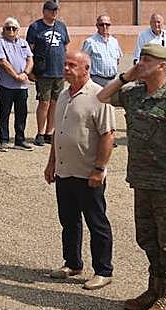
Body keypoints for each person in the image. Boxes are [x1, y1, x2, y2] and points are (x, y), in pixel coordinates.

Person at [98, 43, 166, 310]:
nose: (141, 62)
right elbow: (102, 96)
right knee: (147, 239)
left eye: (147, 60)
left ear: (162, 66)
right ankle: (152, 289)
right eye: (140, 58)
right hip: (141, 181)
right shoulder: (135, 94)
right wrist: (127, 75)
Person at [44, 51, 116, 290]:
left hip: (89, 173)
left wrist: (99, 168)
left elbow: (108, 135)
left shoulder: (98, 96)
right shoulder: (64, 95)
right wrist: (51, 162)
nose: (66, 68)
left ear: (86, 68)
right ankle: (72, 263)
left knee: (97, 222)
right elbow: (59, 132)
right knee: (69, 221)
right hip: (65, 171)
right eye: (65, 64)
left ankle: (103, 270)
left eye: (72, 65)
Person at [26, 0, 71, 146]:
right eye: (51, 10)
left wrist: (67, 67)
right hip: (44, 72)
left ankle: (49, 132)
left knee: (55, 103)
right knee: (44, 102)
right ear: (44, 11)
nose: (54, 13)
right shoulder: (35, 27)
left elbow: (65, 48)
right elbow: (29, 51)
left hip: (59, 72)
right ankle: (40, 132)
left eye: (56, 10)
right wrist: (30, 71)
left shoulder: (61, 26)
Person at [0, 17, 34, 151]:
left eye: (14, 28)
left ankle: (20, 140)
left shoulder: (23, 42)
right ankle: (3, 140)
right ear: (3, 30)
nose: (11, 30)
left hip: (22, 85)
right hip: (6, 84)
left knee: (21, 113)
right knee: (5, 112)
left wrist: (25, 74)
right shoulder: (0, 43)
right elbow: (2, 62)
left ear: (18, 30)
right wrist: (16, 76)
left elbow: (30, 59)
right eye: (8, 28)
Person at [81, 15, 123, 86]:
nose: (104, 27)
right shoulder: (90, 42)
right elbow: (83, 62)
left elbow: (117, 60)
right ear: (97, 26)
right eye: (101, 24)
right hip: (96, 81)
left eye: (107, 24)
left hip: (113, 80)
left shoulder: (114, 41)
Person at [134, 13, 166, 79]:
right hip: (148, 73)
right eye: (154, 22)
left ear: (163, 23)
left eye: (158, 22)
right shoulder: (143, 36)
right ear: (150, 23)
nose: (156, 24)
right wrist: (140, 73)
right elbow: (137, 56)